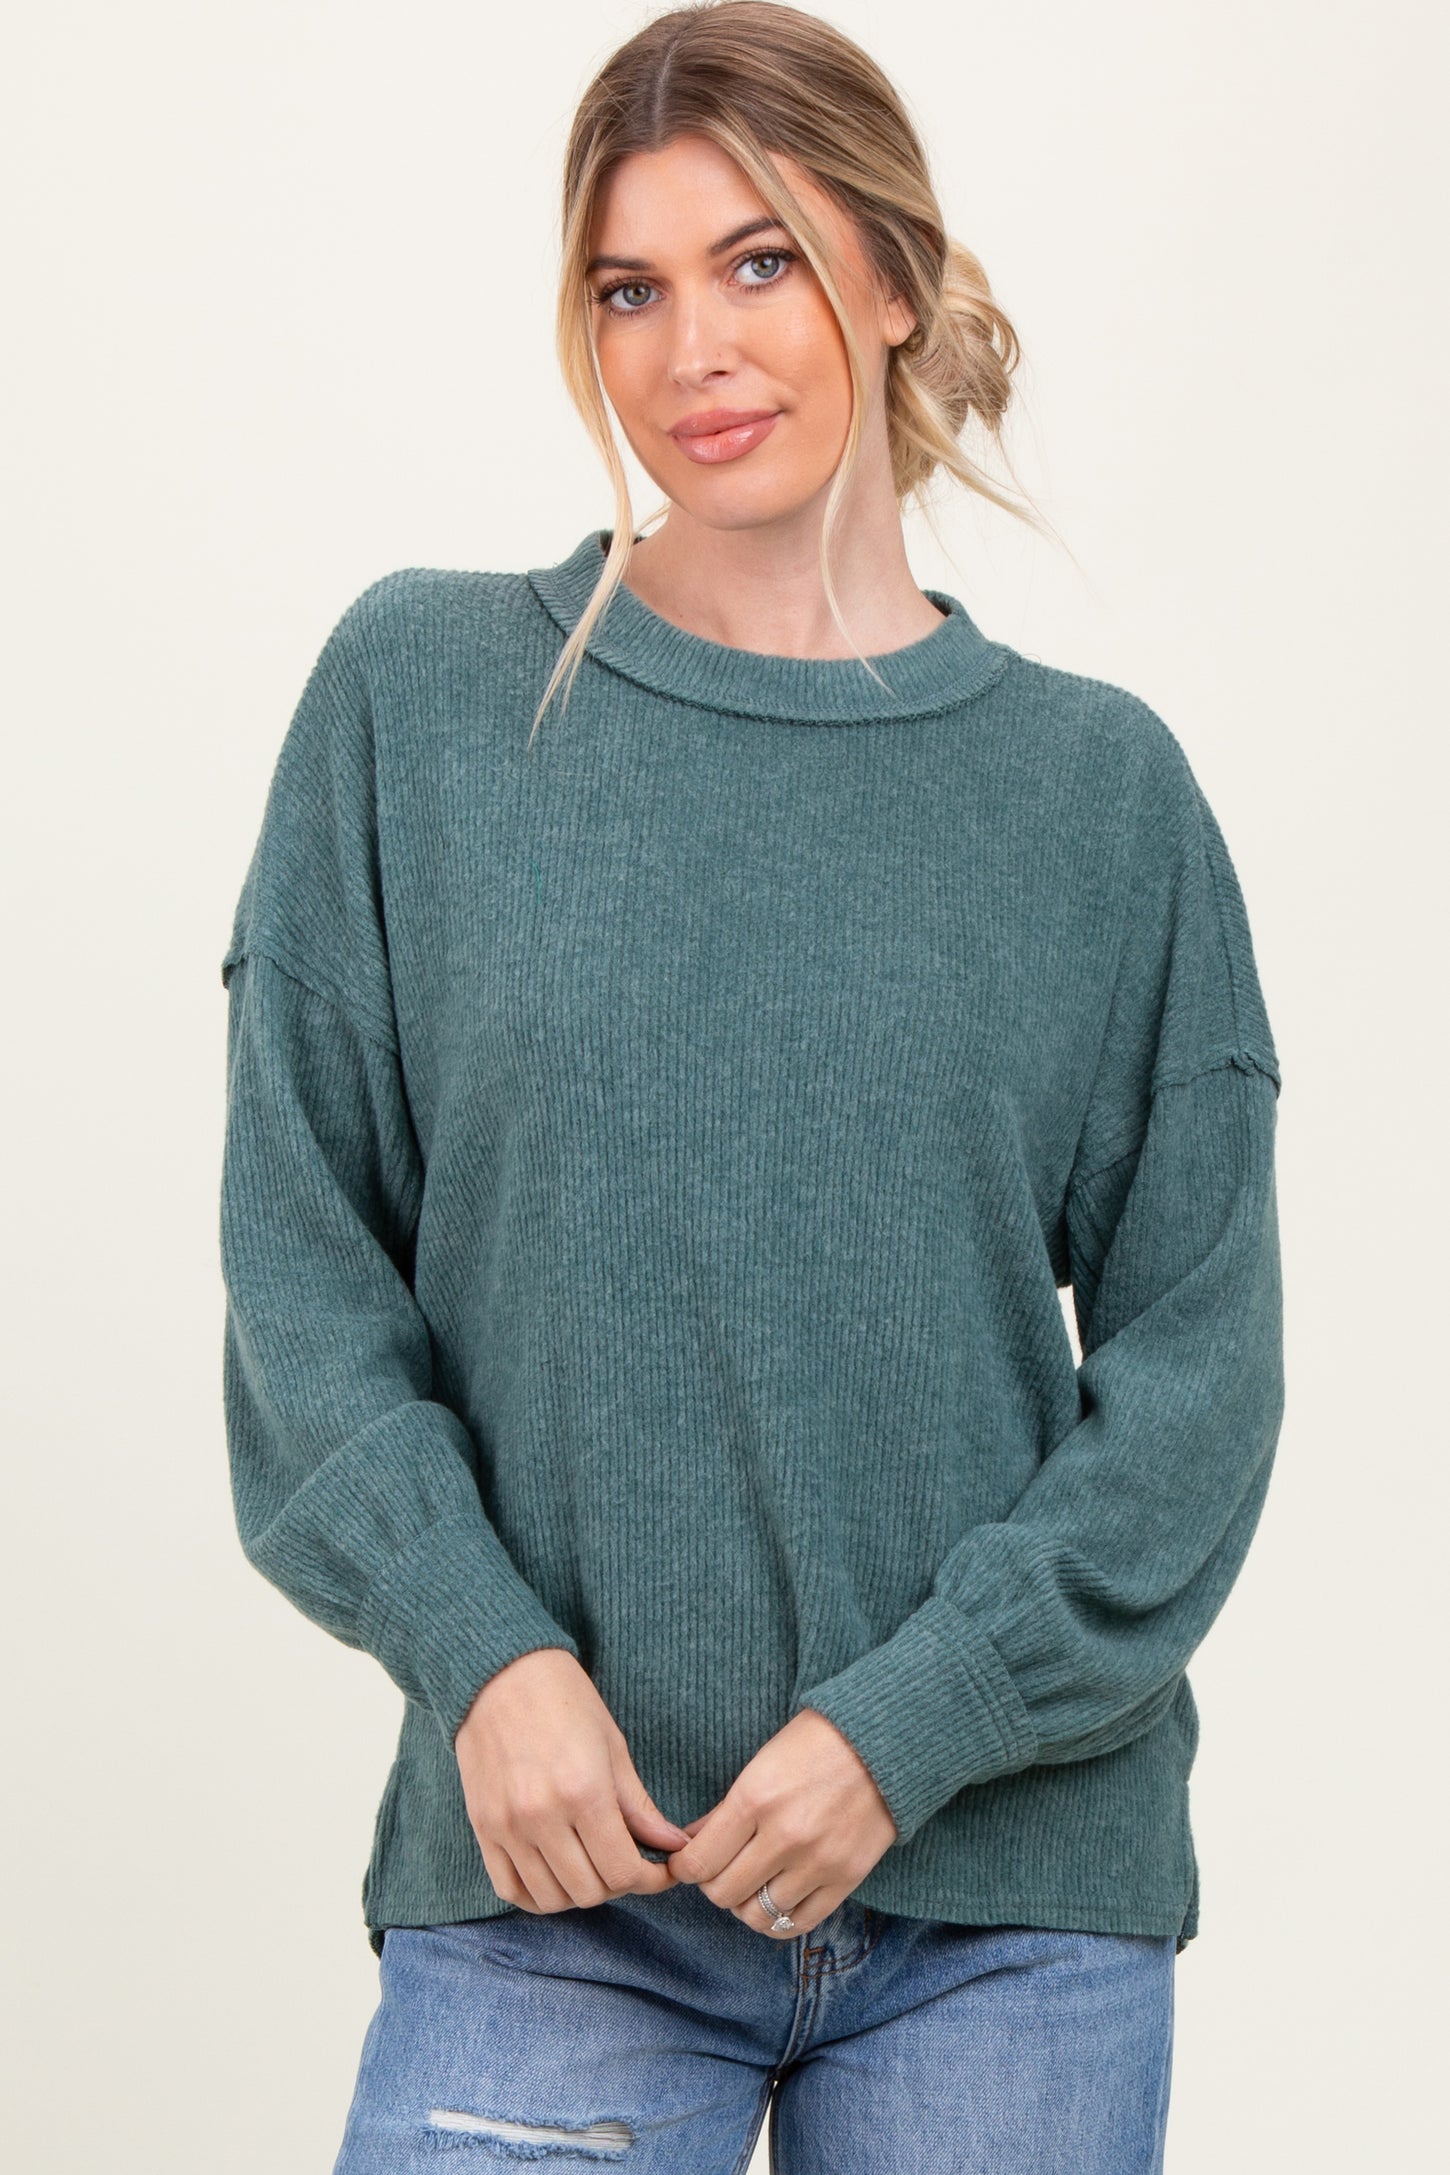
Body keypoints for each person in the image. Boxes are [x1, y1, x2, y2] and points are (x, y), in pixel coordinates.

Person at [216, 5, 1285, 2168]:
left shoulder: (1099, 798)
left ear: (891, 278)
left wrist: (912, 1726)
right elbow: (302, 1269)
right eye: (628, 288)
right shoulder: (421, 702)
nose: (690, 348)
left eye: (759, 262)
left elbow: (1195, 1385)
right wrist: (481, 1651)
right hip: (561, 1891)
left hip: (1007, 1899)